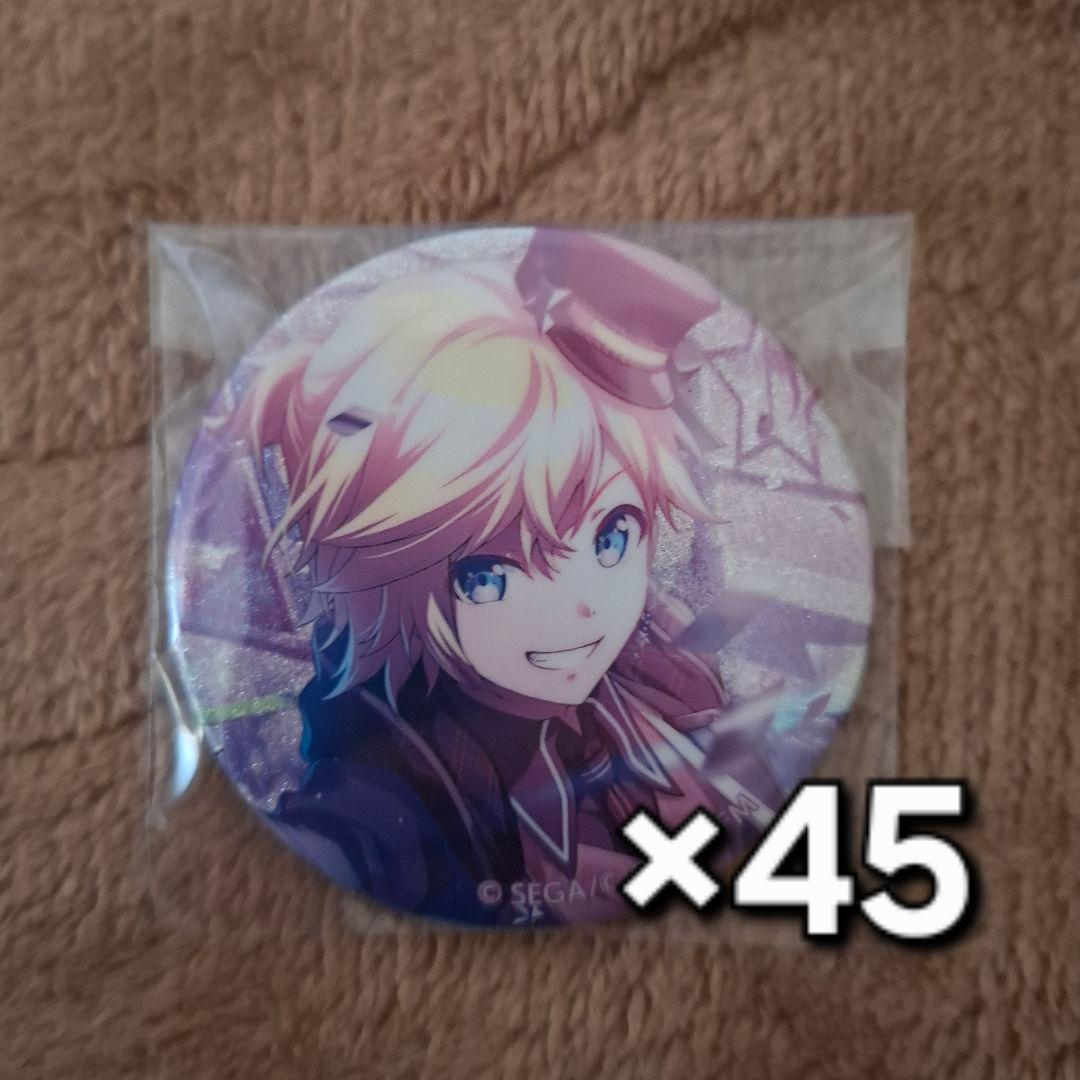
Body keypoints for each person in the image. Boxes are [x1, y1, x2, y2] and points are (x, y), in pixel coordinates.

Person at [235, 229, 782, 925]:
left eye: (614, 536)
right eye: (489, 575)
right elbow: (357, 836)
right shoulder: (399, 782)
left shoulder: (657, 676)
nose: (583, 608)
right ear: (391, 577)